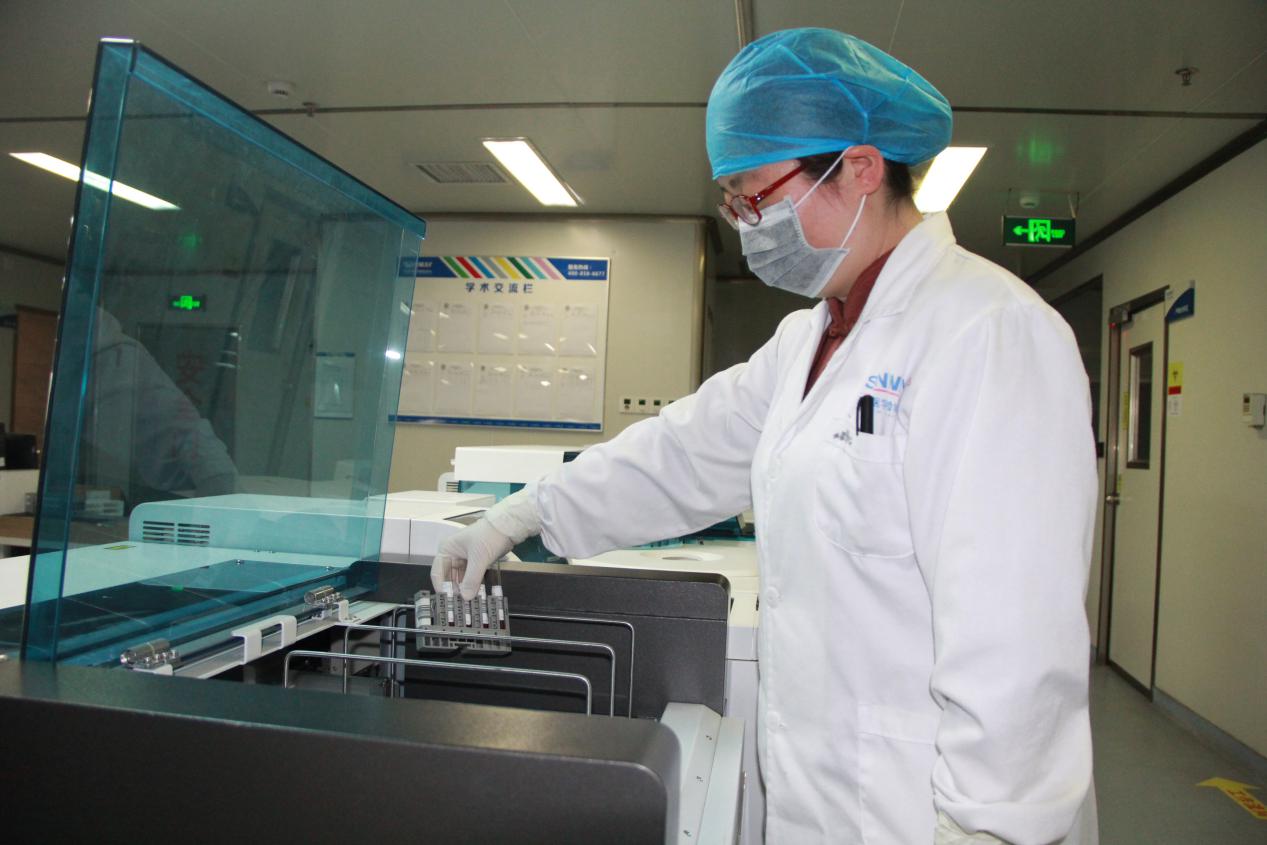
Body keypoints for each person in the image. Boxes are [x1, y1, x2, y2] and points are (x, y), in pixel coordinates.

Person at [433, 28, 1098, 845]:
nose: (748, 225)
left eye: (757, 196)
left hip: (936, 816)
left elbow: (1015, 645)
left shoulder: (988, 333)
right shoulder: (809, 340)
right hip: (828, 802)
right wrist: (519, 514)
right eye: (735, 203)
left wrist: (990, 831)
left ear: (859, 168)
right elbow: (681, 452)